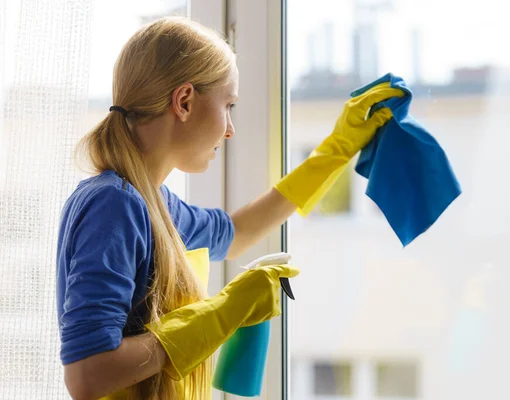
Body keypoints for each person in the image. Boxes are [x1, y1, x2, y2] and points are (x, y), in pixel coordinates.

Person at [56, 16, 401, 400]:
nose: (230, 128)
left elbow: (238, 234)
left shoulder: (152, 204)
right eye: (228, 104)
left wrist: (338, 148)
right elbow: (87, 375)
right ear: (184, 101)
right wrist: (223, 312)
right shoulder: (114, 205)